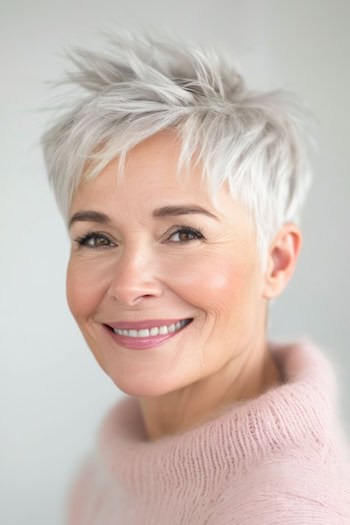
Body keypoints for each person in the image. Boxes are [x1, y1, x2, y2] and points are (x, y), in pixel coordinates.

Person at [41, 32, 350, 524]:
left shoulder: (288, 508)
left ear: (276, 262)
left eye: (183, 233)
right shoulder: (106, 471)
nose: (128, 284)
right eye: (96, 239)